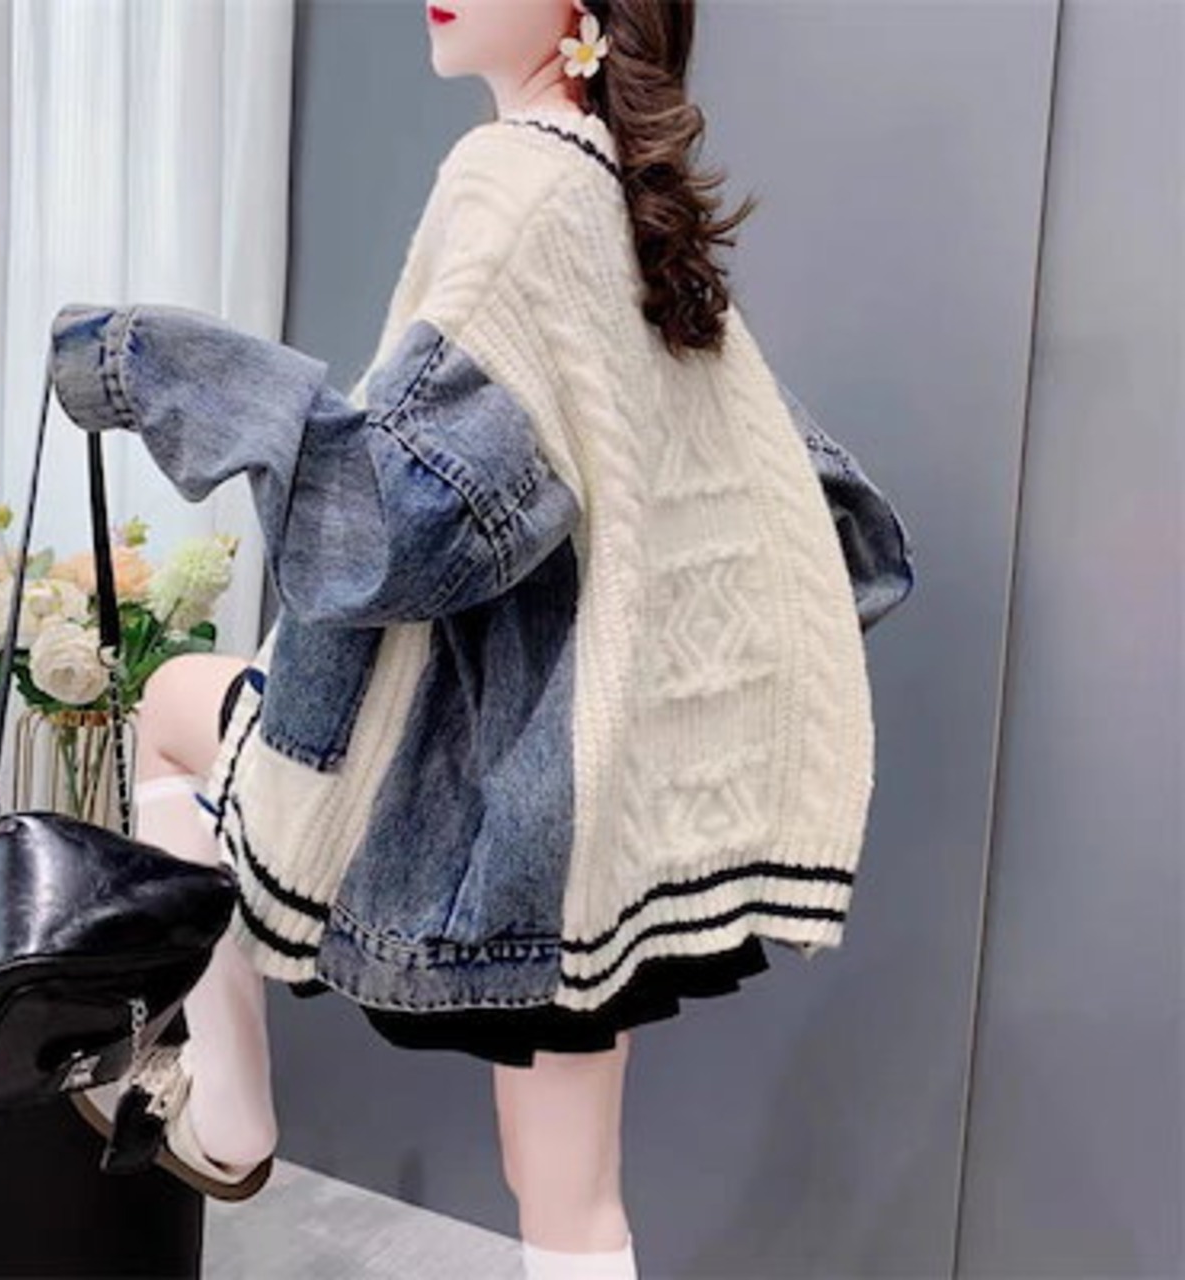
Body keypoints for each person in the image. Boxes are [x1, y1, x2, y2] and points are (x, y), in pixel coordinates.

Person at [50, 1, 916, 1275]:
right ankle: (228, 1113)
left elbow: (403, 515)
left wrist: (141, 363)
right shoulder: (621, 194)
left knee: (175, 707)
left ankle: (228, 1113)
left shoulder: (512, 182)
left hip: (508, 790)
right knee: (568, 1195)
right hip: (607, 796)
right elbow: (757, 487)